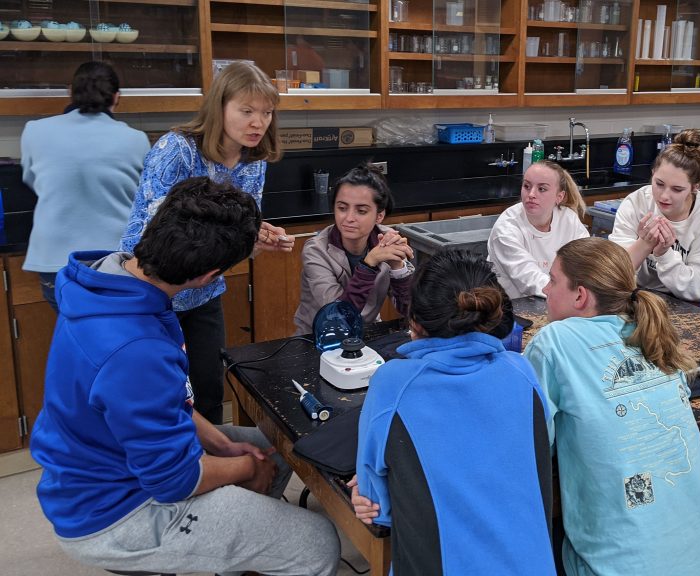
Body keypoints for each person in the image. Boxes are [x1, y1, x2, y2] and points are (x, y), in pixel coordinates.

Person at [30, 177, 340, 576]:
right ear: (208, 276)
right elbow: (175, 480)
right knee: (316, 542)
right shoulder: (135, 349)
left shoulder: (106, 280)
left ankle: (241, 549)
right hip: (115, 513)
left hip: (98, 464)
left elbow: (164, 402)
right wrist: (248, 468)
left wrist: (222, 444)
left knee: (277, 444)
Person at [524, 236, 700, 576]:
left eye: (553, 280)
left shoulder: (554, 342)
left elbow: (529, 447)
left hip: (622, 566)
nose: (545, 289)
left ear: (580, 295)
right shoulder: (650, 331)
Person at [349, 248, 557, 575]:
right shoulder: (522, 371)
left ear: (414, 322)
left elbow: (378, 510)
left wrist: (369, 486)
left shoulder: (392, 384)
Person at [121, 61, 294, 424]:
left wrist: (256, 241)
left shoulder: (253, 161)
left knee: (208, 390)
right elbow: (159, 237)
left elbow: (237, 235)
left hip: (203, 293)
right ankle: (177, 472)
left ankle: (214, 472)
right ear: (220, 107)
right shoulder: (177, 149)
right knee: (159, 394)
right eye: (246, 111)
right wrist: (239, 237)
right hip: (152, 292)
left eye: (266, 112)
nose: (258, 122)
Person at [20, 61, 150, 310]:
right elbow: (143, 197)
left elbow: (32, 181)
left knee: (75, 334)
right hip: (114, 262)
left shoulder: (34, 131)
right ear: (116, 97)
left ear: (71, 92)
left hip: (55, 263)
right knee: (116, 336)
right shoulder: (136, 139)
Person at [294, 163, 414, 334]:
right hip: (318, 337)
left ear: (379, 215)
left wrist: (398, 268)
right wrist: (369, 263)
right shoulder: (316, 250)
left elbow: (411, 310)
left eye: (361, 211)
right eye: (342, 208)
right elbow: (338, 317)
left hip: (368, 332)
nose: (349, 218)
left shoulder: (388, 241)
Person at [609, 129, 700, 302]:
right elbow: (612, 274)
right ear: (653, 173)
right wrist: (644, 244)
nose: (664, 196)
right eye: (659, 184)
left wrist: (665, 255)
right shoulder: (637, 202)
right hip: (638, 294)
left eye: (677, 189)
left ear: (695, 187)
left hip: (687, 303)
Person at [487, 160, 589, 298]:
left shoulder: (568, 220)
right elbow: (530, 279)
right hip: (512, 308)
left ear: (559, 197)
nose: (531, 194)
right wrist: (570, 295)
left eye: (542, 189)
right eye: (527, 186)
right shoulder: (506, 228)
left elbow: (588, 264)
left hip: (559, 299)